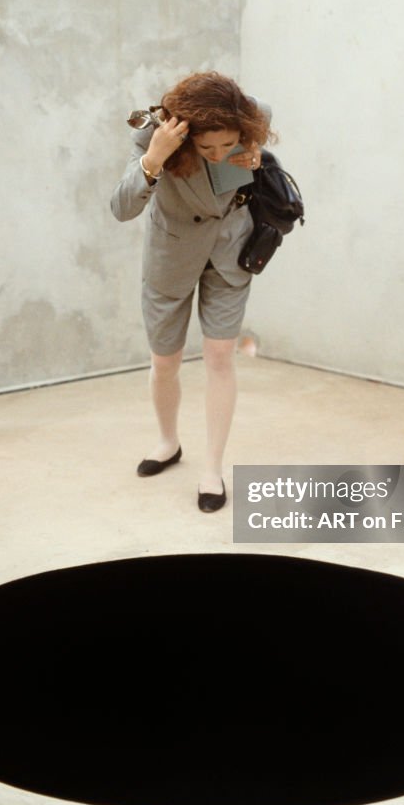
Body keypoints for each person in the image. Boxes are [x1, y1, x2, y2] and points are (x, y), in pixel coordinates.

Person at [111, 71, 274, 511]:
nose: (220, 154)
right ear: (186, 137)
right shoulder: (154, 136)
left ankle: (212, 469)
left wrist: (255, 152)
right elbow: (121, 208)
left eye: (229, 145)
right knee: (165, 360)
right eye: (207, 148)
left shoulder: (250, 113)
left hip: (228, 254)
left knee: (221, 356)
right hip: (172, 256)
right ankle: (167, 442)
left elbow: (260, 126)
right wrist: (154, 160)